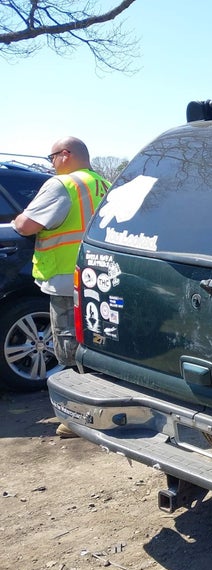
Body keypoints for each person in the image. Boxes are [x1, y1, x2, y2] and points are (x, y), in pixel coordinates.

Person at [13, 137, 110, 438]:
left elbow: (25, 226)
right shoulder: (103, 184)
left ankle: (77, 417)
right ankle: (106, 406)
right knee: (99, 343)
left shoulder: (62, 185)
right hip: (101, 279)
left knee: (69, 345)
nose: (51, 164)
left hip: (68, 280)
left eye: (52, 157)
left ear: (65, 155)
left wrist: (17, 219)